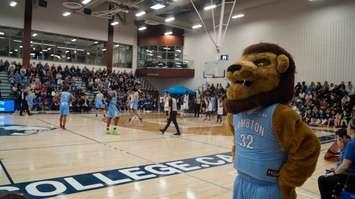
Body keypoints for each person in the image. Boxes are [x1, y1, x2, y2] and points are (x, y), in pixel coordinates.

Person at [318, 118, 355, 199]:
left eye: (348, 125)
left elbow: (345, 166)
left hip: (350, 177)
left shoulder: (351, 144)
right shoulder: (350, 144)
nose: (347, 128)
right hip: (349, 174)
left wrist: (334, 172)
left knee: (322, 179)